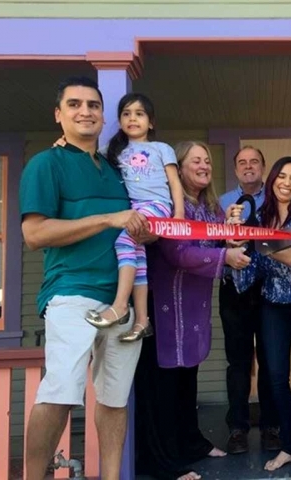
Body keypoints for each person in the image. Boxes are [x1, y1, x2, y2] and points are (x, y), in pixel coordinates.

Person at [20, 76, 147, 480]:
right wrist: (108, 218)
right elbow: (34, 234)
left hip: (121, 300)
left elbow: (129, 227)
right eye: (74, 104)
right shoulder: (46, 163)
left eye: (93, 105)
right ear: (59, 115)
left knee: (114, 399)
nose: (85, 111)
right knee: (60, 391)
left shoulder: (114, 169)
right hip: (71, 293)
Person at [134, 140, 251, 480]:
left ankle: (190, 443)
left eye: (207, 161)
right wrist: (224, 257)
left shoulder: (211, 208)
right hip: (166, 307)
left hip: (194, 309)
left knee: (187, 381)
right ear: (179, 168)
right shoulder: (171, 206)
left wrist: (229, 233)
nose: (203, 165)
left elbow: (218, 244)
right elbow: (177, 254)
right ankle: (164, 461)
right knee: (164, 388)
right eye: (195, 160)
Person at [232, 157, 291, 477]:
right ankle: (289, 445)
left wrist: (256, 236)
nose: (287, 182)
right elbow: (250, 270)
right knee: (274, 377)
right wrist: (235, 244)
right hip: (273, 302)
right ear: (272, 179)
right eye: (282, 176)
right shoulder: (260, 217)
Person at [84, 93, 185, 343]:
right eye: (126, 114)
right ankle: (142, 320)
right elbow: (85, 159)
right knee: (137, 257)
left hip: (157, 206)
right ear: (119, 121)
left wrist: (179, 214)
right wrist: (62, 142)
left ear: (150, 122)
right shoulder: (112, 151)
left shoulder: (161, 148)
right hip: (134, 208)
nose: (132, 118)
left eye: (139, 114)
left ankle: (119, 306)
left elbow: (174, 182)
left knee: (123, 242)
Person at [218, 146, 280, 454]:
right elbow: (214, 243)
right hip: (234, 291)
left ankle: (272, 426)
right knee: (238, 363)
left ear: (263, 166)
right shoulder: (223, 203)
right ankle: (238, 429)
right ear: (235, 169)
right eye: (242, 162)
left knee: (270, 361)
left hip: (268, 288)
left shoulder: (275, 201)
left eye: (254, 161)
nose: (248, 166)